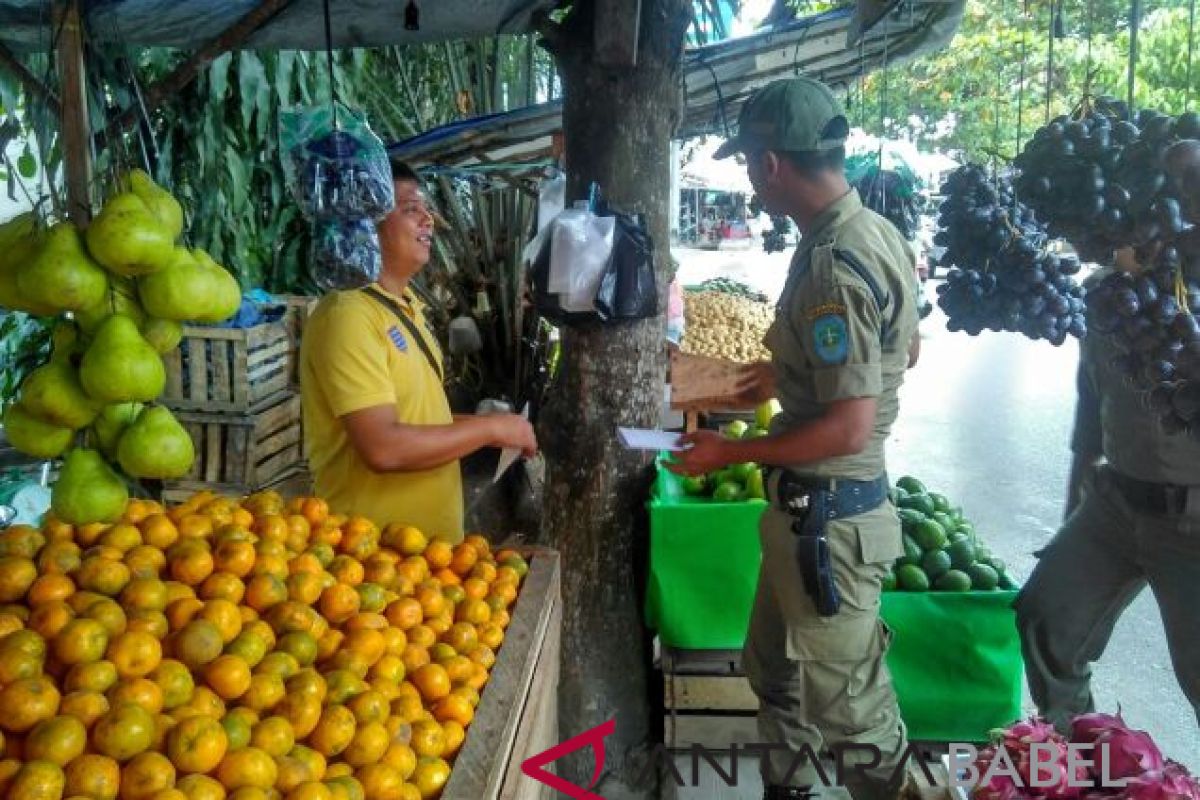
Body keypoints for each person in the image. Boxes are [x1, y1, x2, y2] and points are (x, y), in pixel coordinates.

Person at [668, 78, 920, 800]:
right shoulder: (871, 233)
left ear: (771, 163)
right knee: (776, 676)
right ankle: (793, 790)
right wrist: (781, 374)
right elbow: (906, 348)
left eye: (749, 163)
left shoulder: (835, 266)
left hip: (830, 525)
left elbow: (848, 424)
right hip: (809, 518)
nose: (749, 180)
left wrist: (731, 452)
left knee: (856, 725)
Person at [299, 157, 537, 543]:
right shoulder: (348, 316)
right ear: (365, 224)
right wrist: (491, 426)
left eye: (426, 209)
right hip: (370, 560)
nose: (429, 220)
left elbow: (415, 423)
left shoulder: (405, 307)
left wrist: (488, 431)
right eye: (411, 209)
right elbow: (384, 447)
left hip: (428, 558)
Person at [1015, 260, 1200, 731]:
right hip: (1113, 502)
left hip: (1192, 518)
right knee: (1047, 616)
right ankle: (1079, 758)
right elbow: (1091, 411)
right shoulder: (1103, 295)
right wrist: (1071, 515)